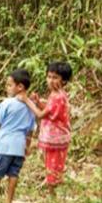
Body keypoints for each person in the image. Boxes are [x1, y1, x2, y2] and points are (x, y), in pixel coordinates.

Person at [22, 61, 74, 196]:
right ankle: (54, 190)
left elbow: (40, 114)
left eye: (55, 77)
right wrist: (39, 102)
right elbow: (48, 111)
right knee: (53, 165)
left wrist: (26, 100)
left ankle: (53, 197)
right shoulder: (57, 94)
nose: (51, 80)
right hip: (54, 138)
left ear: (64, 81)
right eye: (49, 76)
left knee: (53, 168)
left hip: (55, 140)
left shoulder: (57, 97)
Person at [0, 69, 37, 203]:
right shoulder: (30, 107)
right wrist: (27, 147)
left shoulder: (7, 103)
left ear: (20, 87)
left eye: (10, 85)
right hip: (19, 146)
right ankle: (8, 202)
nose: (7, 88)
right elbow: (30, 132)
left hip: (3, 145)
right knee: (14, 173)